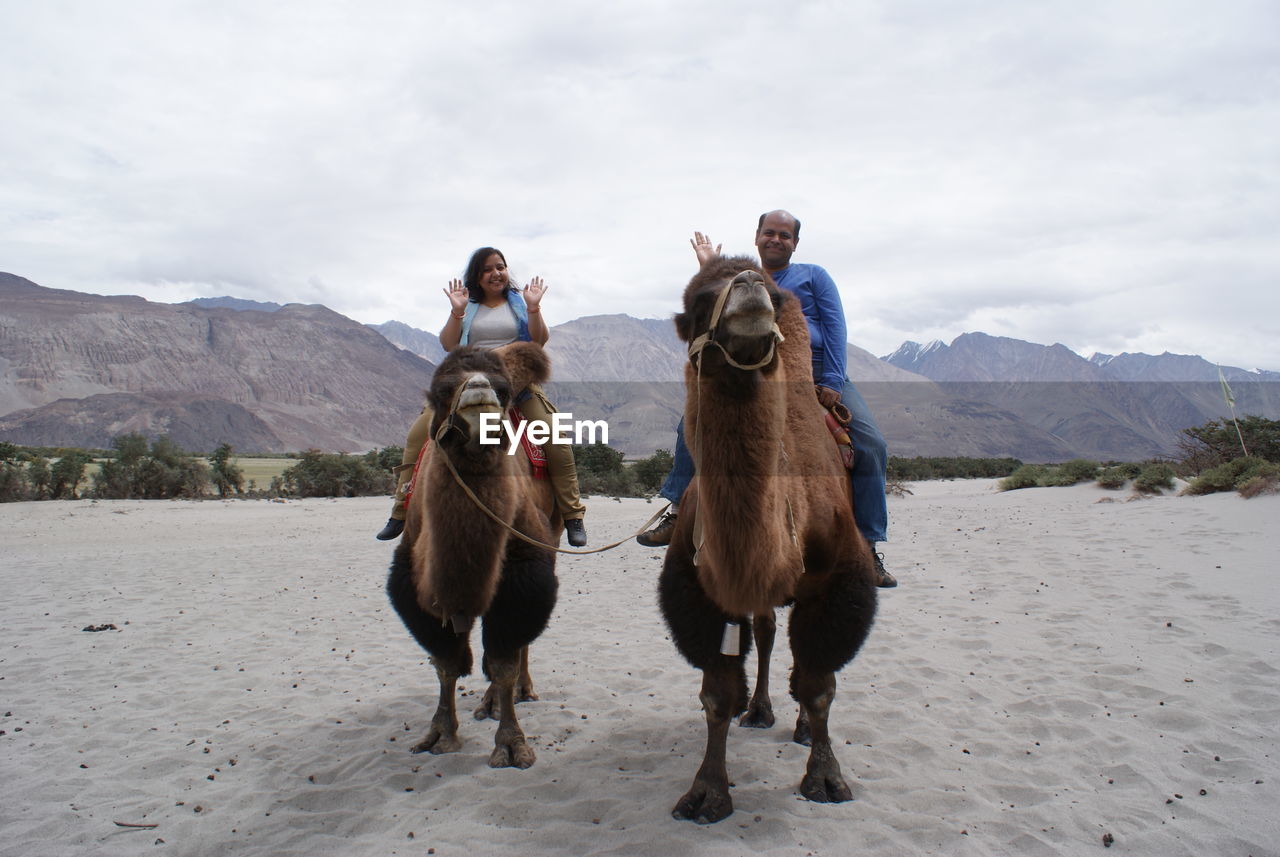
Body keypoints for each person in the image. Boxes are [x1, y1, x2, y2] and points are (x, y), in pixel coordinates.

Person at [638, 211, 896, 587]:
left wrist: (833, 381)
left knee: (872, 444)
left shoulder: (814, 277)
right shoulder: (743, 279)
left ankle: (869, 544)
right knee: (692, 423)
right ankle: (678, 509)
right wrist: (712, 269)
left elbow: (836, 326)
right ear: (757, 237)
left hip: (818, 372)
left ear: (795, 243)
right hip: (757, 368)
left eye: (785, 235)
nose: (776, 240)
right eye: (769, 233)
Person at [376, 247, 588, 546]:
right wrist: (457, 311)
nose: (495, 273)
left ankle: (572, 515)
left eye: (500, 267)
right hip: (468, 380)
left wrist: (534, 308)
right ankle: (400, 510)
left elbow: (539, 340)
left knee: (555, 437)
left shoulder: (520, 303)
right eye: (487, 269)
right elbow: (449, 344)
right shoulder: (468, 306)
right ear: (477, 276)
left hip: (516, 382)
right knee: (416, 436)